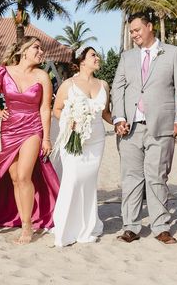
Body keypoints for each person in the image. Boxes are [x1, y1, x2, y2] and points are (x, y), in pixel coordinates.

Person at [112, 12, 177, 244]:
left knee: (157, 177)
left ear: (150, 27)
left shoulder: (173, 53)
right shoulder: (127, 57)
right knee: (131, 178)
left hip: (162, 125)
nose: (134, 34)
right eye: (131, 32)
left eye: (137, 30)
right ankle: (131, 227)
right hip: (130, 128)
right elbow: (118, 89)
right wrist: (118, 118)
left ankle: (161, 227)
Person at [0, 36, 59, 244]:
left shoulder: (42, 76)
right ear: (23, 50)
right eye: (36, 48)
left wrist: (46, 138)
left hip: (33, 127)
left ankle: (27, 227)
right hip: (9, 128)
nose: (41, 52)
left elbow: (45, 108)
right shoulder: (4, 72)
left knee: (23, 175)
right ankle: (23, 218)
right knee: (13, 176)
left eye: (41, 48)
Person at [51, 46, 111, 247]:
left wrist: (119, 122)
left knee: (88, 181)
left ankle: (87, 226)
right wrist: (70, 119)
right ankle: (65, 227)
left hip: (96, 140)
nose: (97, 58)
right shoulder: (69, 84)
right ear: (82, 61)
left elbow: (106, 114)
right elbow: (56, 110)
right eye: (93, 55)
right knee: (73, 179)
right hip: (74, 138)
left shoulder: (104, 84)